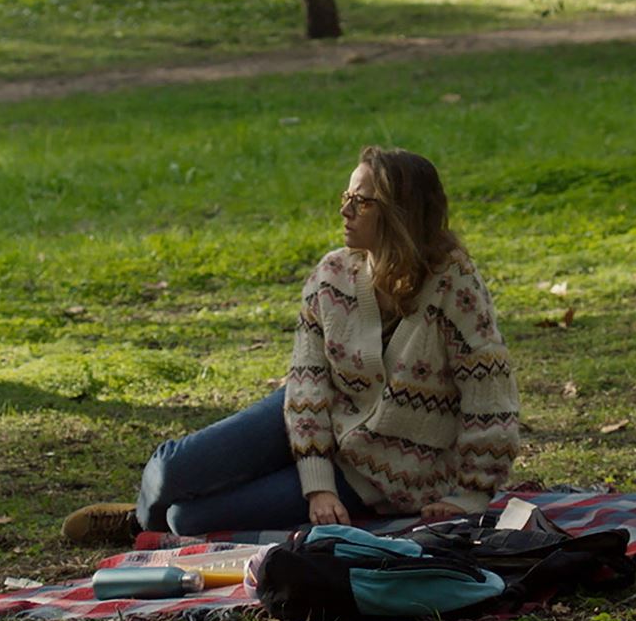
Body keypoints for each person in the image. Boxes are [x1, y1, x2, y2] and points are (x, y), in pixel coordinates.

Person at [61, 146, 521, 545]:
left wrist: (471, 494)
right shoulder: (332, 276)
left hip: (383, 470)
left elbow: (490, 401)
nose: (345, 211)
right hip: (314, 415)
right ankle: (137, 519)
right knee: (173, 470)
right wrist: (315, 482)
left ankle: (150, 522)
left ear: (401, 214)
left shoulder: (456, 288)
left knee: (189, 518)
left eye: (361, 202)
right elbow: (306, 383)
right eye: (346, 197)